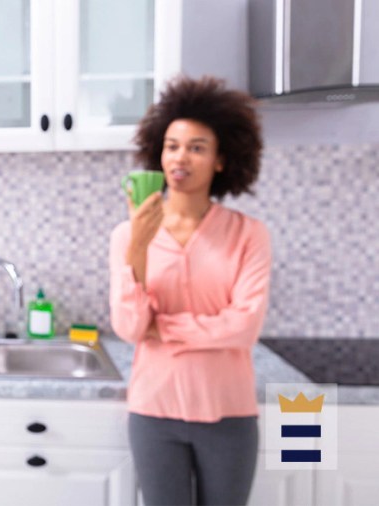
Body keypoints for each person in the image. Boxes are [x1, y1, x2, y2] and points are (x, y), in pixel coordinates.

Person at [109, 75, 270, 506]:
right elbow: (129, 327)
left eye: (197, 147)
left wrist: (167, 330)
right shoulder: (127, 235)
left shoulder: (249, 235)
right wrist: (139, 247)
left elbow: (243, 327)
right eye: (172, 145)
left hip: (228, 411)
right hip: (153, 411)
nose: (181, 157)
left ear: (221, 160)